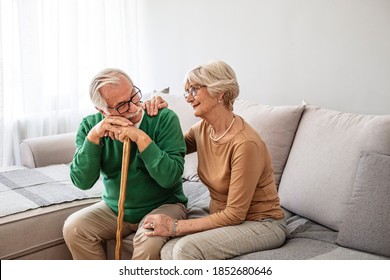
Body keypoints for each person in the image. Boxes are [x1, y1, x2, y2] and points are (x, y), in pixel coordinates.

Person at [142, 60, 287, 259]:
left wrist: (174, 226)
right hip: (222, 214)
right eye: (186, 91)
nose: (188, 98)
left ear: (219, 92)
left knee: (185, 250)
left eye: (193, 90)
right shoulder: (202, 130)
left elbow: (235, 214)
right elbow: (164, 151)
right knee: (166, 248)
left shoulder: (245, 144)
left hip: (261, 223)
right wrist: (155, 116)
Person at [62, 68, 187, 260]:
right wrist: (93, 138)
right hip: (114, 208)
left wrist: (142, 139)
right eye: (121, 105)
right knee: (75, 228)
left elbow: (170, 178)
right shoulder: (90, 126)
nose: (133, 106)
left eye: (134, 95)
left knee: (149, 241)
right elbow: (81, 181)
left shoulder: (163, 118)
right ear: (102, 111)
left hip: (165, 205)